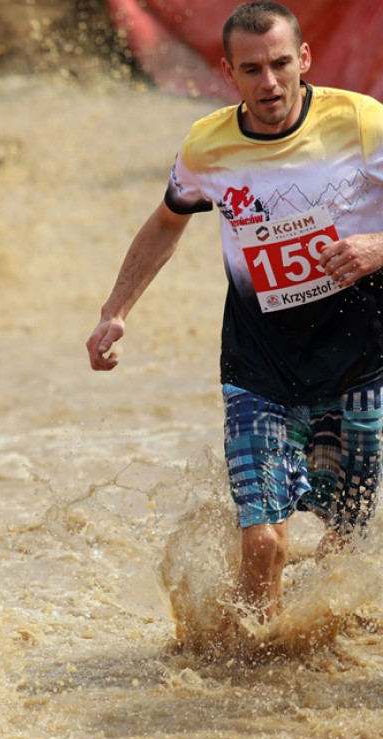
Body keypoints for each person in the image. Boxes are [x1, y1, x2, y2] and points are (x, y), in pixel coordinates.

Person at [86, 1, 383, 623]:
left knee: (344, 536)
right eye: (252, 69)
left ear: (304, 58)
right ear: (228, 72)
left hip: (362, 366)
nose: (269, 83)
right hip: (258, 370)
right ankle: (251, 662)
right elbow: (166, 224)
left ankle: (316, 642)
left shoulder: (360, 122)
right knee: (265, 539)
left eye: (280, 64)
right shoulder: (209, 145)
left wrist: (376, 246)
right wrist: (116, 309)